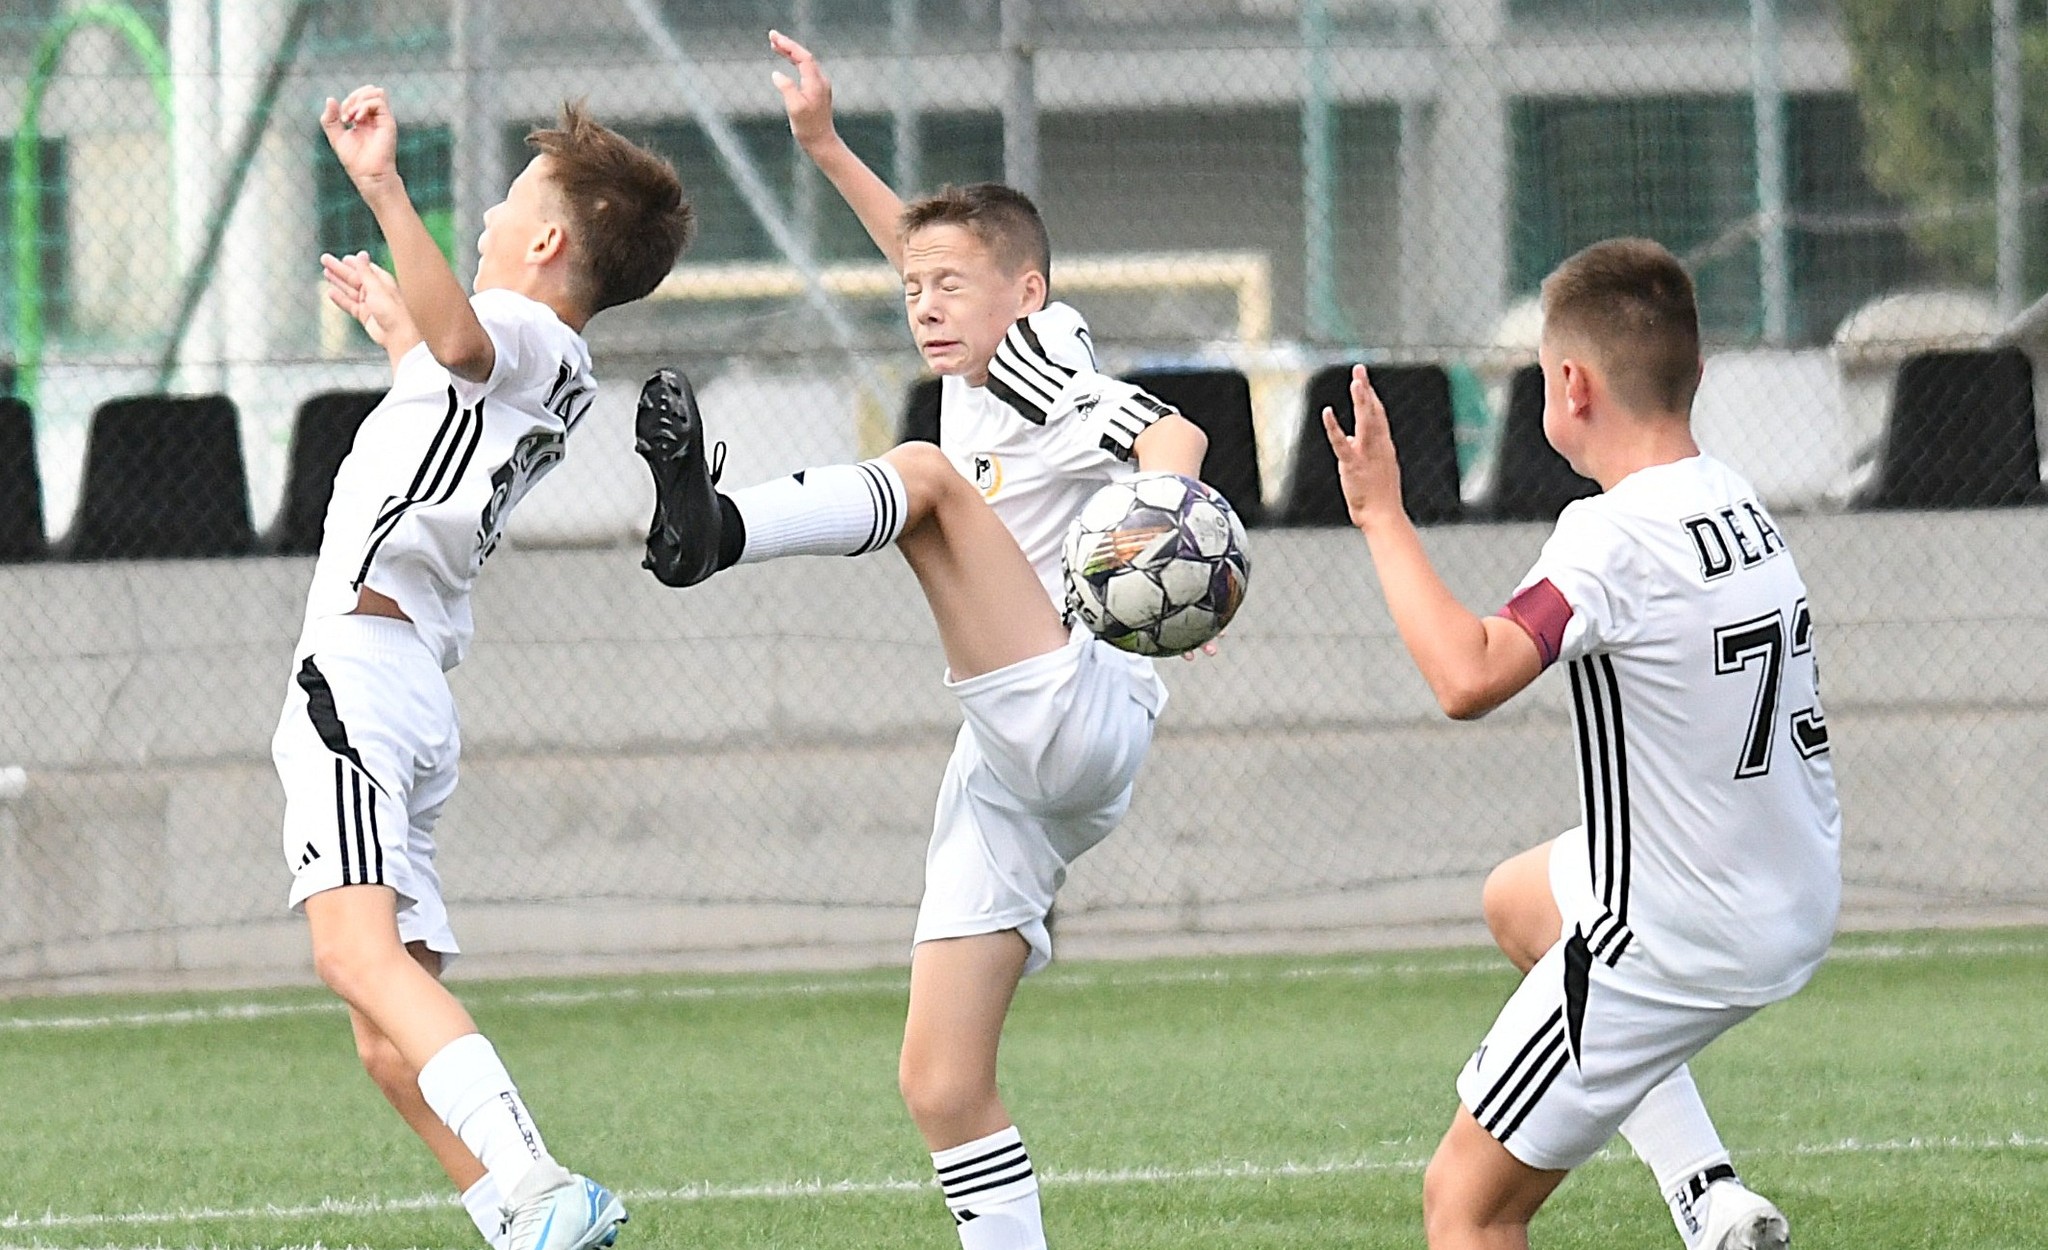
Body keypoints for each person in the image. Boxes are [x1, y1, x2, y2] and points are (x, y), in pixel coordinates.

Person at [633, 31, 1214, 1250]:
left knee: (925, 481)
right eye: (912, 290)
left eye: (950, 286)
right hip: (1011, 760)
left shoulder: (1040, 355)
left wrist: (1169, 550)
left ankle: (713, 530)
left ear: (1028, 293)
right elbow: (924, 246)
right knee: (941, 1082)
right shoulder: (977, 338)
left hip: (1073, 701)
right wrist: (823, 144)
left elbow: (1174, 438)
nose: (924, 305)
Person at [1322, 238, 1839, 1250]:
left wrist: (1381, 514)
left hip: (1674, 928)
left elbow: (1467, 674)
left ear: (1570, 386)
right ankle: (1707, 1195)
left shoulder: (1612, 533)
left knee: (1466, 1205)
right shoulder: (1734, 497)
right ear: (1694, 373)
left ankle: (1681, 1182)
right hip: (1791, 892)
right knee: (1519, 900)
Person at [273, 85, 691, 1250]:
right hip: (408, 686)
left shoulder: (510, 329)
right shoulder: (562, 366)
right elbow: (456, 378)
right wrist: (402, 333)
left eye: (506, 203)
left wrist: (381, 188)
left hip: (359, 671)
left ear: (546, 241)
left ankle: (539, 1178)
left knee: (350, 952)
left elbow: (465, 343)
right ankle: (517, 1217)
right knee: (383, 1028)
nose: (489, 219)